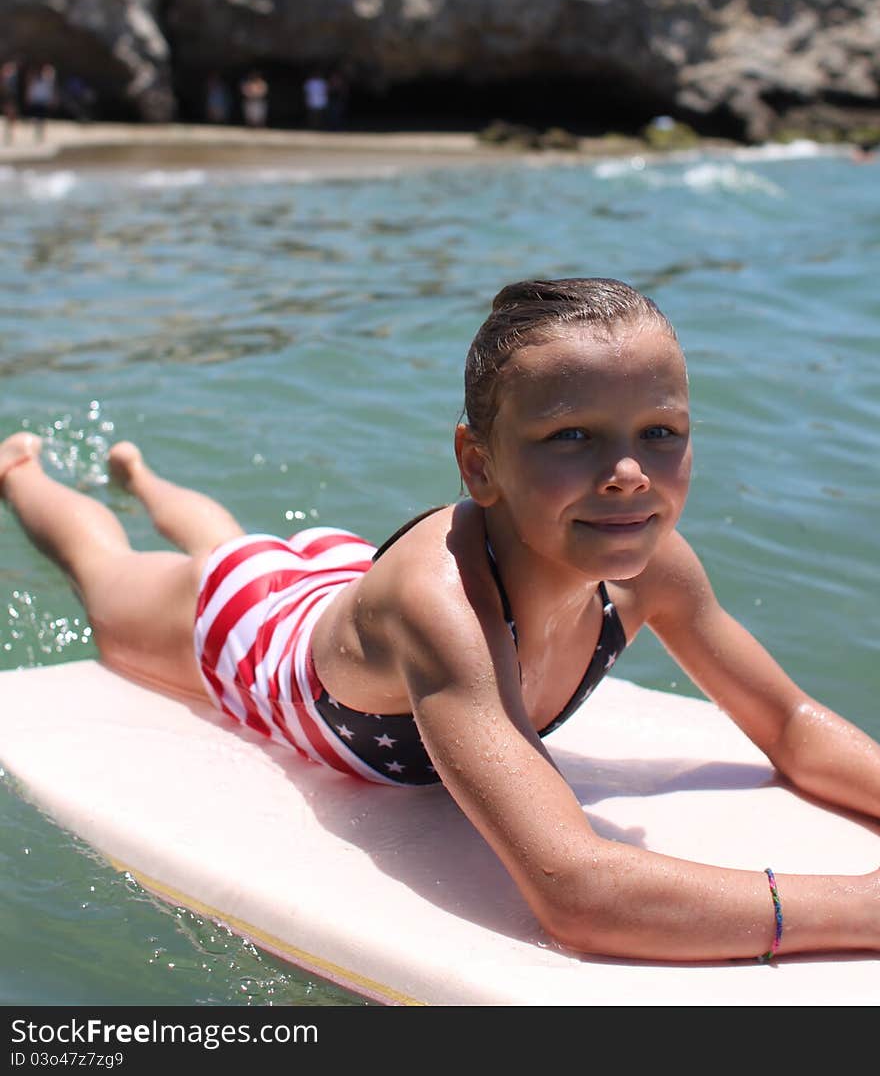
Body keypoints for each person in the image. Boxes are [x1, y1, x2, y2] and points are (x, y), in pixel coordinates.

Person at [1, 277, 878, 964]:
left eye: (660, 431)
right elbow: (574, 891)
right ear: (478, 462)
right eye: (571, 435)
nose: (627, 473)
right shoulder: (443, 608)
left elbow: (794, 727)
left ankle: (147, 477)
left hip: (349, 585)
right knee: (112, 571)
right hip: (251, 630)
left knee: (230, 537)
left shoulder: (653, 567)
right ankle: (24, 473)